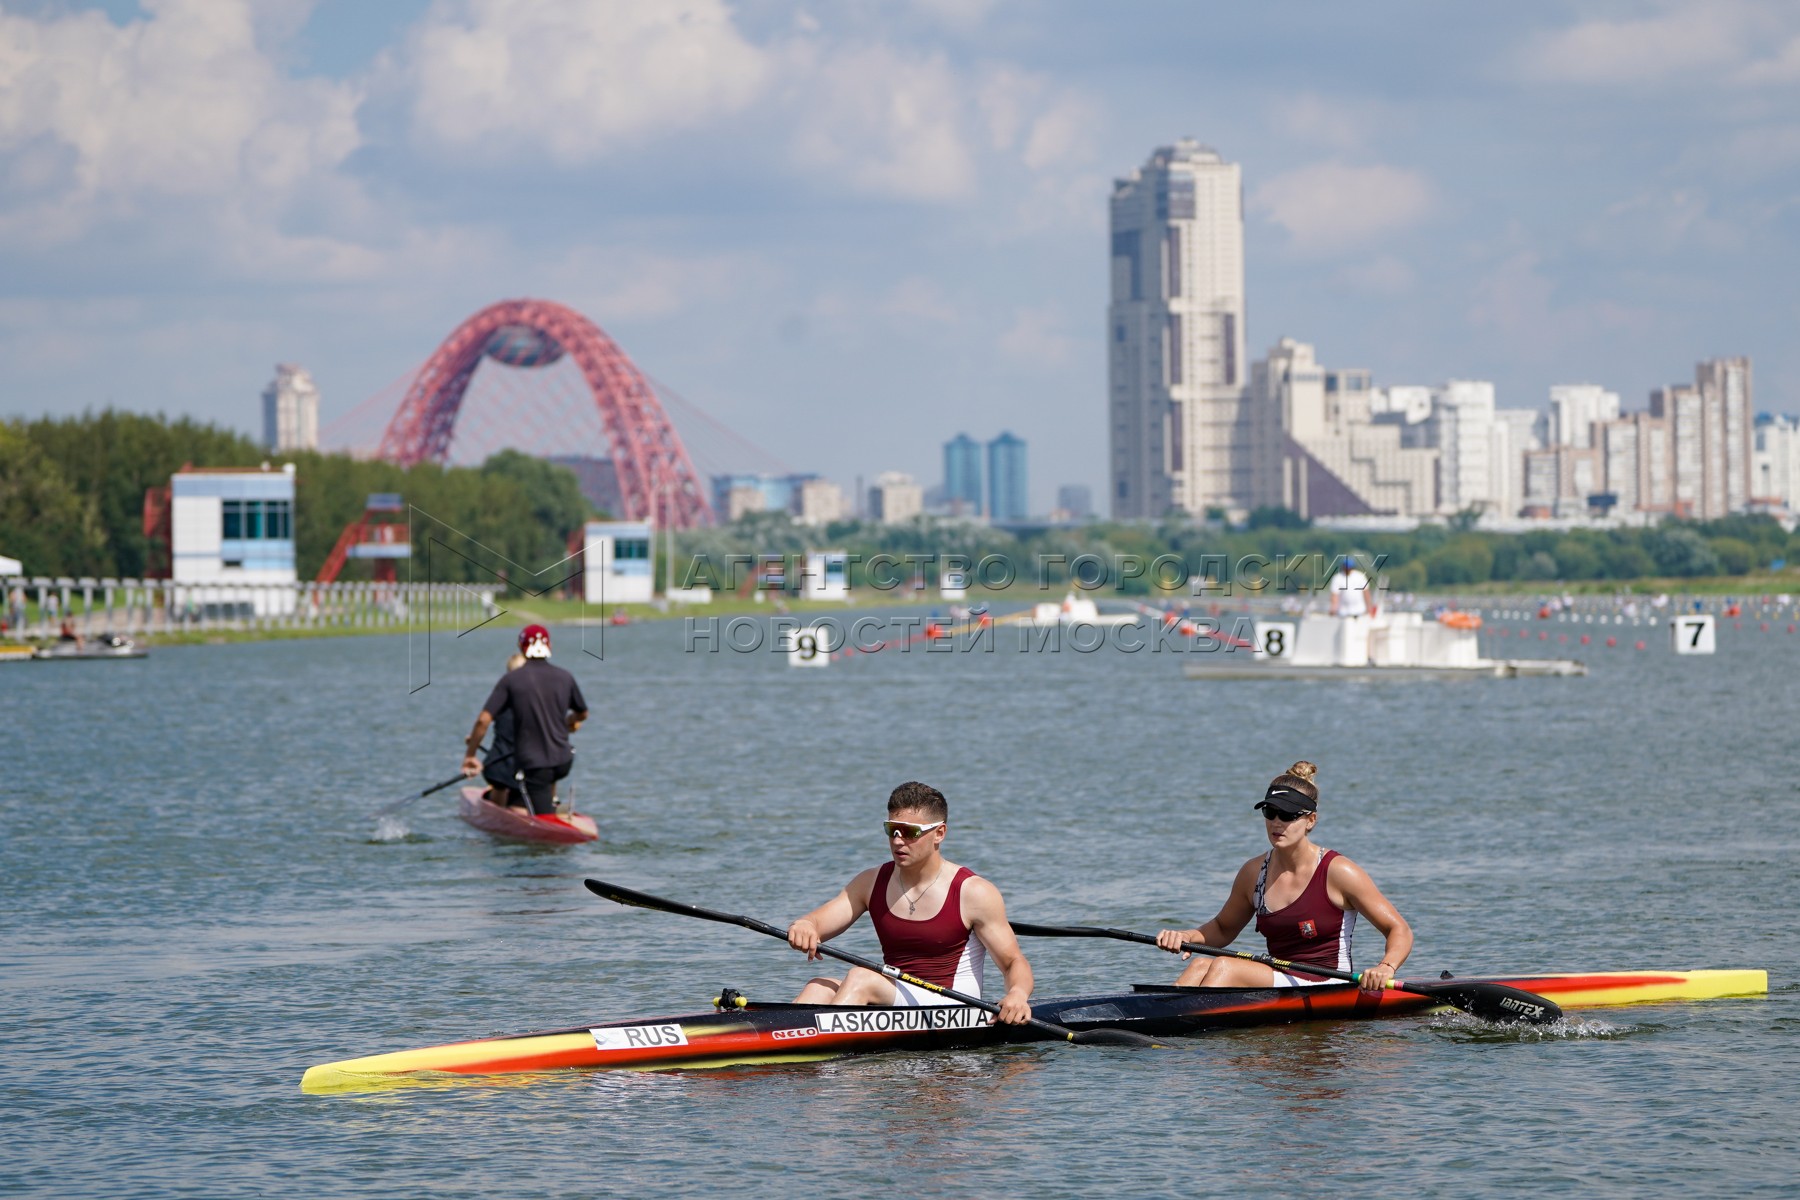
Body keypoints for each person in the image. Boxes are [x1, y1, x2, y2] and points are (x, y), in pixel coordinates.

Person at [786, 781, 1035, 1024]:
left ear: (940, 833)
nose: (897, 841)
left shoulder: (974, 892)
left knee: (860, 978)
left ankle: (818, 1054)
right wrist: (806, 924)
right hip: (898, 997)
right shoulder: (871, 882)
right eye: (891, 829)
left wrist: (1017, 994)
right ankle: (781, 1048)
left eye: (909, 832)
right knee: (818, 987)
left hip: (953, 1007)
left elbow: (1013, 961)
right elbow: (820, 921)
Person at [1155, 761, 1412, 993]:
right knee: (1200, 965)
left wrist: (1386, 967)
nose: (1277, 823)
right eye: (1270, 813)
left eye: (1287, 815)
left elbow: (1398, 929)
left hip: (1327, 983)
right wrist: (1186, 936)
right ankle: (1162, 1026)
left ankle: (1188, 1038)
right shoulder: (1253, 872)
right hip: (1280, 977)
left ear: (1310, 820)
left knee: (1225, 966)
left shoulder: (1339, 871)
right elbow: (1223, 928)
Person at [460, 625, 588, 816]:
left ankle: (543, 817)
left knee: (533, 804)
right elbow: (582, 713)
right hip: (564, 761)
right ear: (549, 647)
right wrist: (568, 722)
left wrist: (470, 755)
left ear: (521, 647)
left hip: (535, 765)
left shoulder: (512, 680)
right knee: (537, 784)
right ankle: (548, 806)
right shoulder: (565, 677)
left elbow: (483, 720)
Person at [479, 653, 527, 807]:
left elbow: (484, 721)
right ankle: (551, 801)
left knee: (499, 776)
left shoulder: (502, 699)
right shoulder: (538, 701)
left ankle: (498, 808)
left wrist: (472, 744)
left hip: (505, 766)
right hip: (528, 766)